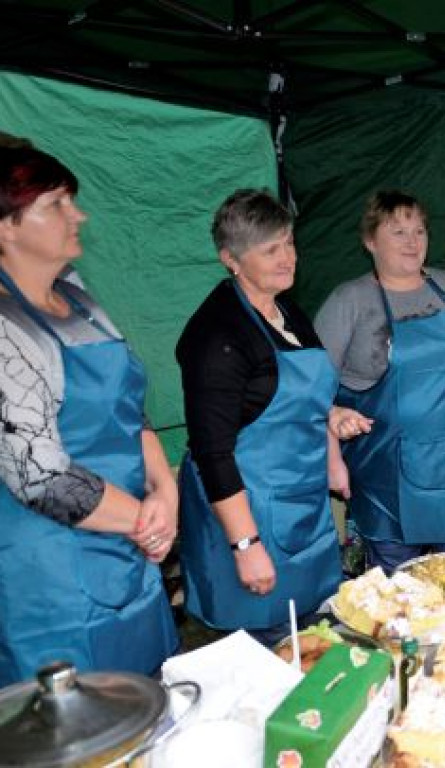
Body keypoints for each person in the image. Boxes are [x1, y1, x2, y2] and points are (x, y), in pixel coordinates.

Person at [0, 146, 178, 685]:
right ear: (7, 225)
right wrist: (147, 523)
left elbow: (130, 408)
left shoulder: (79, 297)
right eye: (56, 204)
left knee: (150, 700)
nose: (78, 215)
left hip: (127, 548)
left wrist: (165, 491)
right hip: (53, 570)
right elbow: (40, 475)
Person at [177, 189, 343, 642]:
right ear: (231, 259)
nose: (288, 257)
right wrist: (246, 546)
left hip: (302, 505)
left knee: (313, 639)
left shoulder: (287, 310)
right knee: (264, 649)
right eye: (271, 249)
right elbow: (212, 452)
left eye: (289, 242)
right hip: (248, 514)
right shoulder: (216, 336)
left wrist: (333, 445)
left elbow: (305, 396)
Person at [315, 190, 445, 574]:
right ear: (370, 241)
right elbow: (312, 389)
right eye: (399, 232)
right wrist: (332, 458)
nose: (412, 242)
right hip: (387, 476)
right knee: (398, 596)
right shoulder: (350, 300)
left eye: (419, 231)